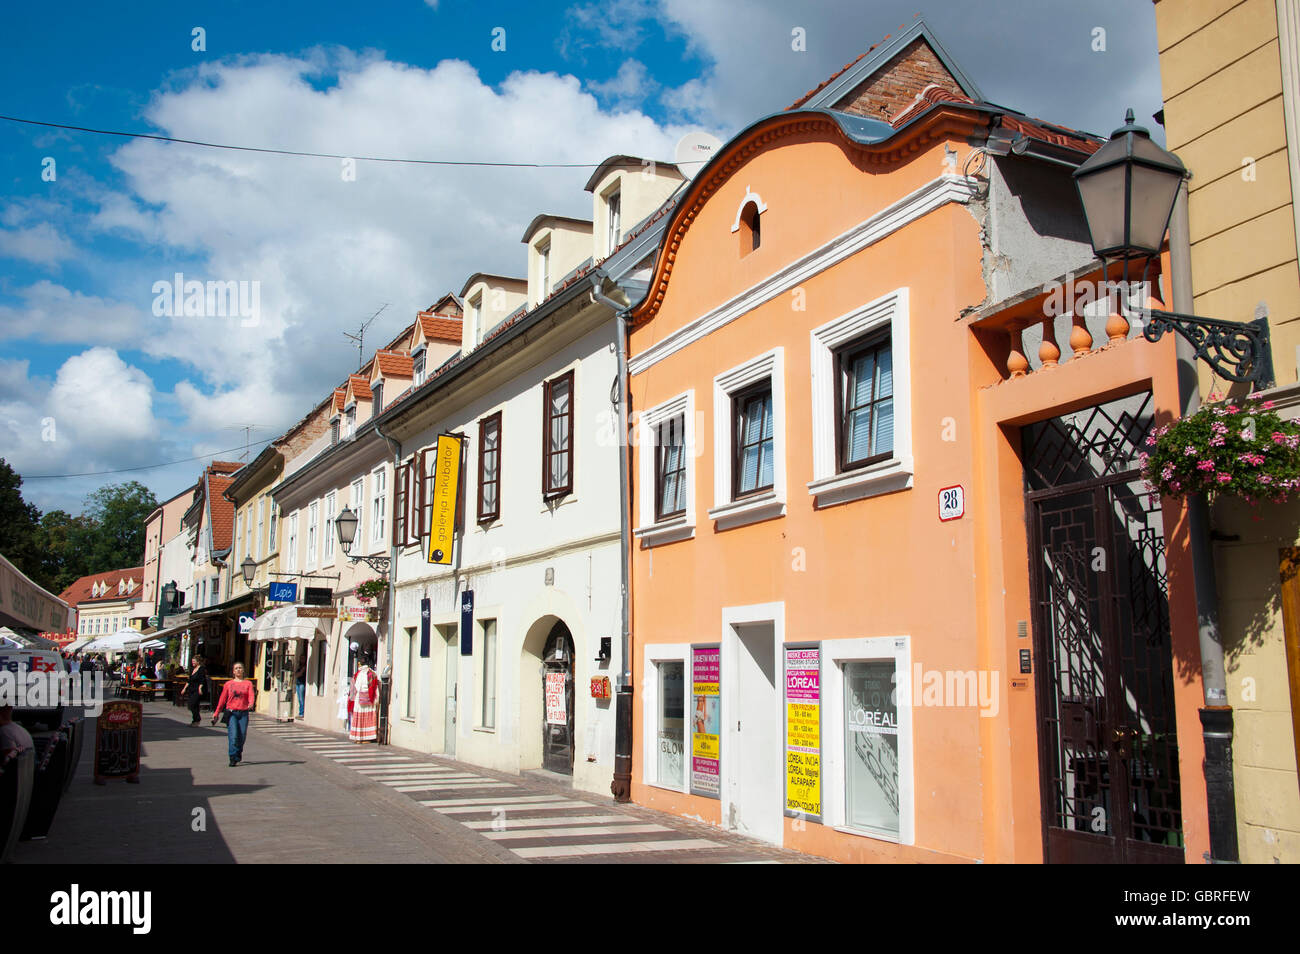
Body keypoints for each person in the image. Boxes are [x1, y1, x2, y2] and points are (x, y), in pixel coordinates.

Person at [212, 662, 256, 766]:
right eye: (236, 668)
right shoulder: (228, 684)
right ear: (233, 671)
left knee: (242, 736)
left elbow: (251, 695)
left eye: (240, 668)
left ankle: (238, 752)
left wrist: (251, 703)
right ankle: (232, 757)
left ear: (243, 670)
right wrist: (217, 712)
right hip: (231, 713)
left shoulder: (248, 683)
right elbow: (222, 699)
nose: (238, 670)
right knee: (233, 735)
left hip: (243, 713)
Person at [348, 656, 379, 743]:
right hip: (370, 698)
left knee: (359, 717)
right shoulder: (372, 673)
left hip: (360, 699)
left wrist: (351, 697)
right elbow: (375, 686)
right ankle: (367, 737)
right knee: (368, 717)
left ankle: (359, 737)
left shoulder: (359, 673)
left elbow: (356, 687)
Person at [183, 655, 209, 725]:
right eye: (192, 661)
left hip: (197, 689)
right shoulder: (192, 669)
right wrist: (184, 688)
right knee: (194, 705)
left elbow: (202, 679)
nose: (192, 663)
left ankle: (197, 719)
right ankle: (195, 720)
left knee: (192, 704)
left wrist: (200, 688)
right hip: (191, 689)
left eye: (194, 661)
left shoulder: (201, 669)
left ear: (198, 662)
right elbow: (189, 680)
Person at [294, 650, 307, 720]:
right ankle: (300, 712)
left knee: (301, 699)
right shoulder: (300, 666)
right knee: (299, 699)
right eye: (301, 658)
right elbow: (296, 674)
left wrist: (298, 673)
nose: (301, 659)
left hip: (302, 683)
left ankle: (302, 713)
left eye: (303, 658)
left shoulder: (304, 666)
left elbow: (299, 674)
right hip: (298, 683)